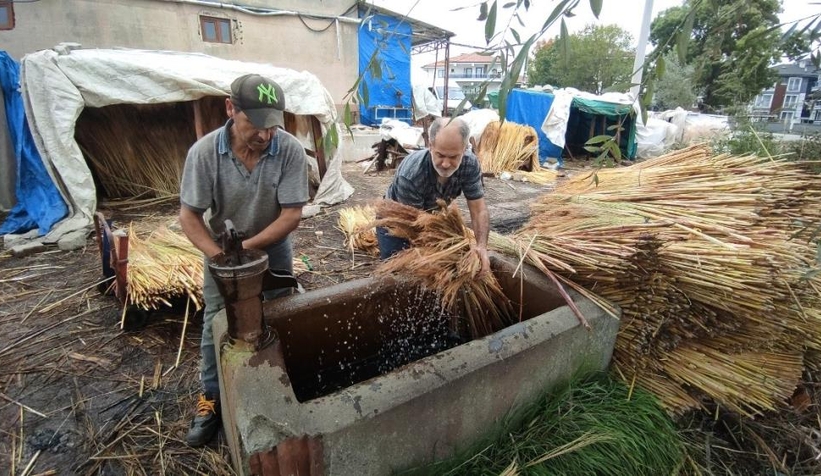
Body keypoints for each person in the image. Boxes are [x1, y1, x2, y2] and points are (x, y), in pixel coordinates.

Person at [178, 74, 309, 447]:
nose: (265, 135)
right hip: (223, 253)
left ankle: (282, 384)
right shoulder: (204, 154)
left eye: (272, 125)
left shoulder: (290, 151)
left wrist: (249, 250)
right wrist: (222, 257)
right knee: (216, 321)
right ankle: (212, 398)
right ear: (230, 109)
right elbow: (189, 216)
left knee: (280, 311)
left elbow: (291, 215)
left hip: (272, 246)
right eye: (255, 124)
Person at [378, 117, 490, 274]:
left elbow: (479, 210)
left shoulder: (470, 165)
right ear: (430, 146)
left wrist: (481, 246)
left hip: (432, 215)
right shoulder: (411, 174)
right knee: (399, 271)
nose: (445, 164)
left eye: (453, 157)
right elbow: (414, 228)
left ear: (464, 149)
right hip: (398, 221)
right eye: (440, 155)